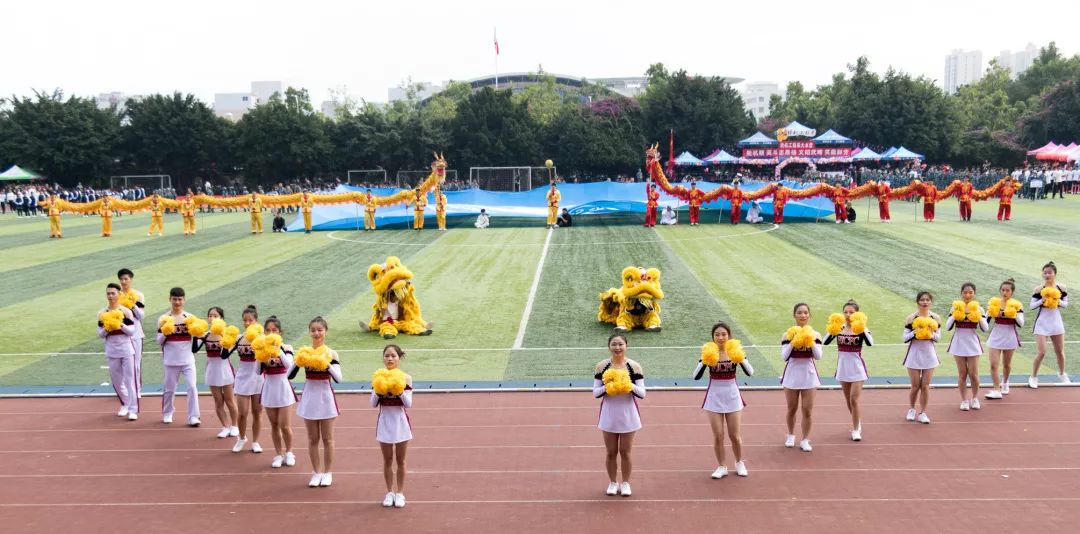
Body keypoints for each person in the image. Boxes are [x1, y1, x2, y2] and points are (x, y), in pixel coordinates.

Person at [693, 322, 753, 478]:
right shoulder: (708, 352)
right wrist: (705, 360)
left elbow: (750, 372)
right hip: (714, 397)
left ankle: (739, 462)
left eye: (724, 334)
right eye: (717, 335)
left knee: (734, 435)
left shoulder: (735, 351)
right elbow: (695, 376)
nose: (720, 337)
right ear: (713, 337)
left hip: (732, 396)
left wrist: (740, 358)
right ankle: (722, 466)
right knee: (718, 435)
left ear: (729, 336)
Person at [593, 333, 645, 497]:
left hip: (628, 415)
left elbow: (642, 393)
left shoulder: (634, 366)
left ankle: (625, 483)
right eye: (614, 344)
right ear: (609, 346)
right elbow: (595, 393)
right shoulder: (602, 366)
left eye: (620, 344)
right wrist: (609, 387)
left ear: (626, 346)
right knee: (611, 452)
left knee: (625, 452)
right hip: (609, 415)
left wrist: (628, 385)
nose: (617, 347)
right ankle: (613, 482)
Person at [294, 316, 342, 487]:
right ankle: (316, 472)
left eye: (320, 330)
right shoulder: (305, 353)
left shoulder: (332, 353)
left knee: (328, 439)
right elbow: (289, 375)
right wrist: (299, 360)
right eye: (313, 330)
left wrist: (326, 364)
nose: (316, 333)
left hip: (326, 397)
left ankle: (328, 473)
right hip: (309, 398)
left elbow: (338, 379)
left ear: (325, 332)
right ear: (309, 332)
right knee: (312, 438)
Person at [823, 300, 873, 441]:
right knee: (848, 401)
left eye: (851, 312)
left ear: (857, 314)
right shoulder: (839, 327)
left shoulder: (861, 328)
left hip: (857, 368)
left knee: (854, 399)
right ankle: (857, 422)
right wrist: (833, 328)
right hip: (843, 368)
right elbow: (825, 342)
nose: (848, 315)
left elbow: (870, 343)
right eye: (845, 312)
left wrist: (862, 328)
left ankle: (856, 430)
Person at [371, 344, 413, 508]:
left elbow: (408, 404)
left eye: (393, 356)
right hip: (384, 423)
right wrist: (378, 391)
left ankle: (400, 493)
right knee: (387, 460)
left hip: (400, 423)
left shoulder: (406, 378)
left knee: (401, 460)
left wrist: (399, 391)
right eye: (387, 355)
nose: (390, 358)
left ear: (399, 358)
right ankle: (389, 492)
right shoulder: (378, 376)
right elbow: (372, 403)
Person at [156, 287, 201, 426]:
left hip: (188, 360)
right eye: (174, 299)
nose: (177, 302)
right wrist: (166, 332)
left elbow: (197, 339)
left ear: (184, 300)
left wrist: (197, 335)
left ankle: (193, 416)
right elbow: (159, 341)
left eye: (180, 299)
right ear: (170, 299)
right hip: (170, 360)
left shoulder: (190, 318)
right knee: (169, 389)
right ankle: (167, 412)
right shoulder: (163, 319)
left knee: (192, 387)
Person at [781, 303, 822, 451]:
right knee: (791, 408)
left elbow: (818, 356)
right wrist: (794, 341)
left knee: (807, 410)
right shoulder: (787, 334)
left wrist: (809, 340)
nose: (803, 315)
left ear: (809, 315)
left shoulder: (816, 334)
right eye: (799, 312)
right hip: (792, 375)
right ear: (794, 315)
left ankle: (805, 439)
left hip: (809, 376)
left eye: (805, 312)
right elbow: (784, 357)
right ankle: (791, 435)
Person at [193, 307, 239, 439]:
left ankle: (235, 426)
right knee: (218, 401)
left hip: (225, 369)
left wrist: (226, 342)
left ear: (222, 319)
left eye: (215, 316)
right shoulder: (205, 335)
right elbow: (194, 349)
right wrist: (195, 335)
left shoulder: (228, 335)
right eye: (210, 316)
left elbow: (224, 356)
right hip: (212, 370)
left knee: (230, 400)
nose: (212, 318)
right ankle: (225, 426)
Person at [98, 283, 139, 420]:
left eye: (113, 293)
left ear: (119, 294)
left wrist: (120, 325)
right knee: (116, 381)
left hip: (127, 349)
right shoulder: (102, 314)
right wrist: (107, 328)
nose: (110, 296)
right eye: (108, 293)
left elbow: (132, 331)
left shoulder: (126, 312)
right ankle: (125, 403)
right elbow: (100, 334)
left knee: (130, 380)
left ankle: (133, 409)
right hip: (111, 350)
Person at [261, 316, 297, 469]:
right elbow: (257, 371)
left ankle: (289, 452)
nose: (271, 333)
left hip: (283, 389)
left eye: (274, 330)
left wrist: (277, 348)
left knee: (285, 425)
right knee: (274, 425)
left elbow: (289, 365)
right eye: (268, 331)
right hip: (269, 389)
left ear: (280, 332)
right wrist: (261, 355)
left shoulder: (287, 347)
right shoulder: (262, 349)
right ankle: (278, 454)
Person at [946, 283, 989, 410]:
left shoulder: (979, 308)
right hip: (959, 342)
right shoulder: (955, 307)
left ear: (974, 294)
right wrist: (955, 314)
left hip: (972, 343)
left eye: (970, 292)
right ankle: (964, 400)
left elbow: (985, 328)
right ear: (961, 293)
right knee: (962, 374)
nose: (967, 295)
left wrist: (978, 315)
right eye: (965, 292)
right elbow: (948, 327)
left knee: (973, 374)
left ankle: (975, 398)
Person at [229, 305, 264, 453]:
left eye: (250, 320)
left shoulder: (263, 339)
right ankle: (242, 438)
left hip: (258, 378)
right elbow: (224, 354)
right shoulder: (238, 338)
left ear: (256, 321)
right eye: (245, 320)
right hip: (243, 377)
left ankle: (255, 442)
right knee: (242, 413)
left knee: (257, 412)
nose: (247, 323)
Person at [903, 291, 941, 424]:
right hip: (914, 355)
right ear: (917, 302)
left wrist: (930, 333)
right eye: (922, 300)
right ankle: (912, 409)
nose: (925, 302)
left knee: (925, 386)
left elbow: (938, 338)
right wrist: (916, 332)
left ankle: (923, 412)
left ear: (931, 302)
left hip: (929, 355)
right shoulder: (911, 318)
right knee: (915, 386)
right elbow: (904, 338)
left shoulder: (935, 318)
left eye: (927, 300)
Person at [1030, 261, 1069, 388]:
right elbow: (1032, 306)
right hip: (1042, 324)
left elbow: (1065, 304)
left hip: (1056, 323)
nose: (1047, 275)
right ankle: (1033, 377)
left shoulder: (1061, 288)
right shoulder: (1038, 289)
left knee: (1060, 351)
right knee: (1041, 352)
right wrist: (1042, 300)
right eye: (1045, 273)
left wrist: (1057, 301)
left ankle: (1062, 374)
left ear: (1054, 274)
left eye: (1049, 272)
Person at [986, 279, 1024, 398]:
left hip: (1010, 336)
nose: (1005, 293)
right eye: (1003, 290)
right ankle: (997, 390)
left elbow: (1021, 323)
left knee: (1006, 364)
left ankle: (1005, 382)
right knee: (993, 365)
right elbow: (985, 323)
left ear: (1012, 292)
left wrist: (1013, 315)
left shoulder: (1017, 305)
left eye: (1007, 290)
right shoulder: (994, 303)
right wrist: (990, 314)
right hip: (996, 336)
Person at [118, 269, 146, 398]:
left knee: (136, 364)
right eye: (121, 279)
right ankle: (125, 390)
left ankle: (137, 389)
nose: (124, 282)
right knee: (122, 364)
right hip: (122, 333)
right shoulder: (116, 295)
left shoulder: (138, 295)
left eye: (126, 279)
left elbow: (141, 316)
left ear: (131, 279)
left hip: (136, 334)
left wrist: (133, 305)